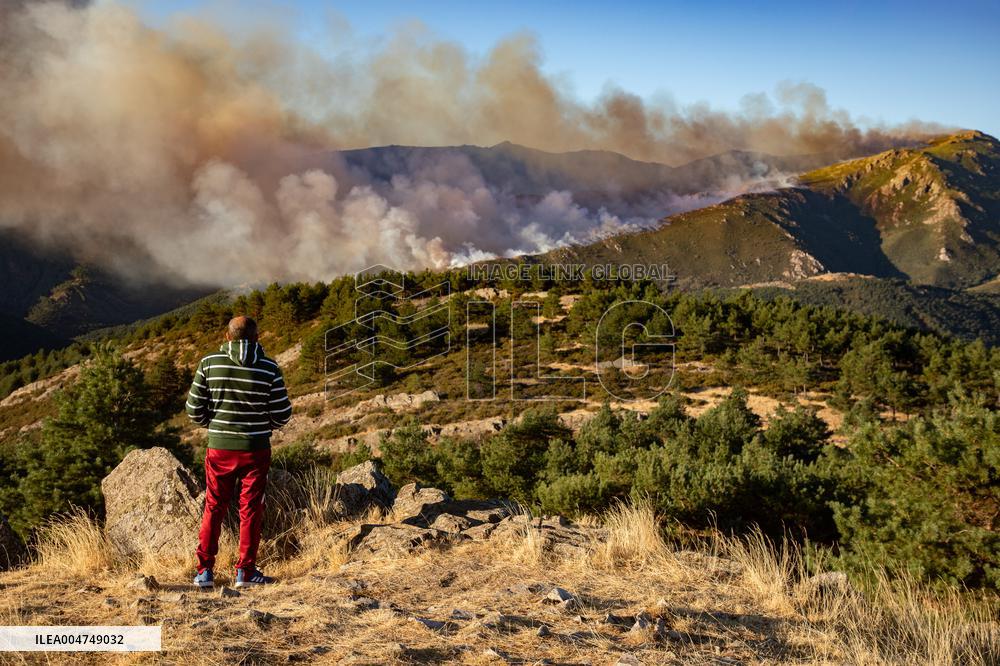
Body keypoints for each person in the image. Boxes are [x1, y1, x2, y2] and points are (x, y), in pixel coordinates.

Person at [185, 316, 292, 588]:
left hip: (219, 449)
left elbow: (193, 410)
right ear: (257, 338)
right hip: (256, 450)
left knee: (214, 507)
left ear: (227, 336)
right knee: (251, 509)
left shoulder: (209, 363)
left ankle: (205, 571)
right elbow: (282, 414)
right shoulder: (270, 367)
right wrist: (260, 425)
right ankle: (245, 572)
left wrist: (216, 425)